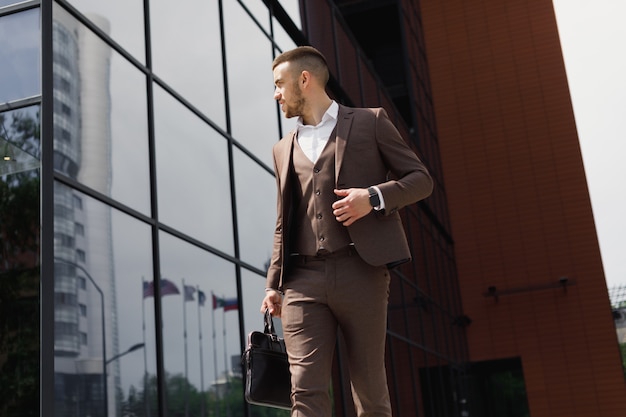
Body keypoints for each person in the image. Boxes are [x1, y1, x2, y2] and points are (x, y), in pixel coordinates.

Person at [260, 45, 433, 417]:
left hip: (362, 271)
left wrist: (372, 198)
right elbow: (283, 219)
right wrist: (274, 283)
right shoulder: (282, 148)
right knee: (304, 392)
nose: (275, 93)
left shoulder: (370, 122)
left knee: (369, 391)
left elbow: (421, 180)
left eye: (279, 84)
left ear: (304, 80)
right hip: (303, 279)